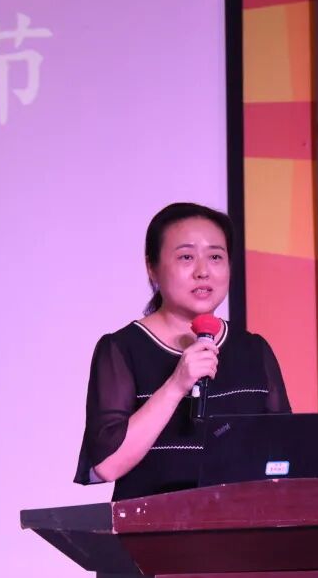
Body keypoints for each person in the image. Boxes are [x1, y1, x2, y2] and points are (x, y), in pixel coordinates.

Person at [74, 202, 291, 501]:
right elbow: (108, 465)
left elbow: (285, 457)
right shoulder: (122, 349)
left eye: (215, 257)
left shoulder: (253, 349)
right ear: (152, 268)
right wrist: (177, 384)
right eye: (186, 257)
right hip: (152, 525)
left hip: (241, 523)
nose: (203, 272)